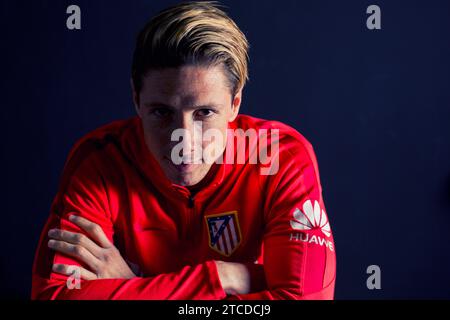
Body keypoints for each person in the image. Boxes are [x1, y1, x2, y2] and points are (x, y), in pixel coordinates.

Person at [31, 1, 336, 300]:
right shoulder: (100, 160)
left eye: (204, 112)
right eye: (162, 112)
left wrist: (133, 287)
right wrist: (221, 277)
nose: (183, 140)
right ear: (137, 99)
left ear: (234, 104)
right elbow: (53, 295)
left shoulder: (279, 158)